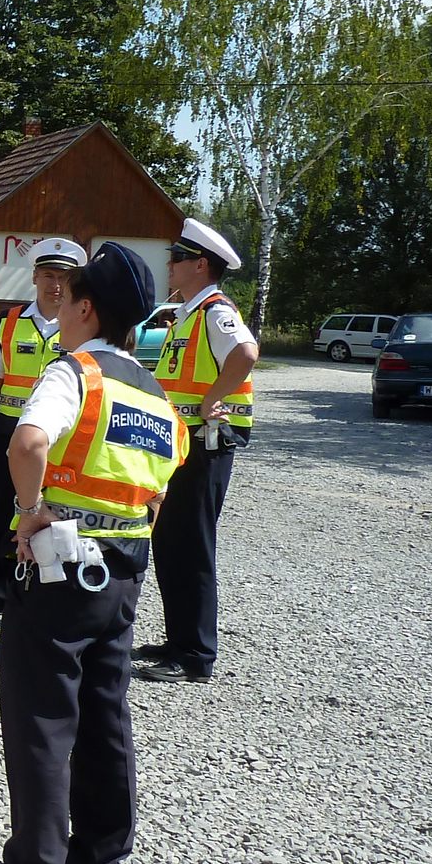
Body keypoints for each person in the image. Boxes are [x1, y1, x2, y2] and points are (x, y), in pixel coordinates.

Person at [0, 242, 186, 864]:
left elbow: (26, 443)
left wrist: (30, 511)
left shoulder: (75, 373)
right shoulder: (153, 393)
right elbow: (161, 483)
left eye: (67, 303)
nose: (56, 313)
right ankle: (102, 858)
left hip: (61, 565)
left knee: (42, 716)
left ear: (88, 308)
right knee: (105, 710)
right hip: (123, 566)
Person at [135, 218, 259, 686]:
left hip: (205, 445)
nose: (170, 264)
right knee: (171, 544)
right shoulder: (188, 311)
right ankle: (178, 639)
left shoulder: (214, 311)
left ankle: (194, 654)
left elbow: (245, 353)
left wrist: (214, 399)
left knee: (191, 547)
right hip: (183, 443)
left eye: (178, 258)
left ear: (200, 265)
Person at [0, 238, 85, 624]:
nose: (55, 285)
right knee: (1, 514)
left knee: (56, 513)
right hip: (12, 432)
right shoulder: (10, 323)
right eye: (47, 275)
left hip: (61, 436)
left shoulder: (78, 325)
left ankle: (44, 595)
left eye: (63, 277)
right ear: (34, 277)